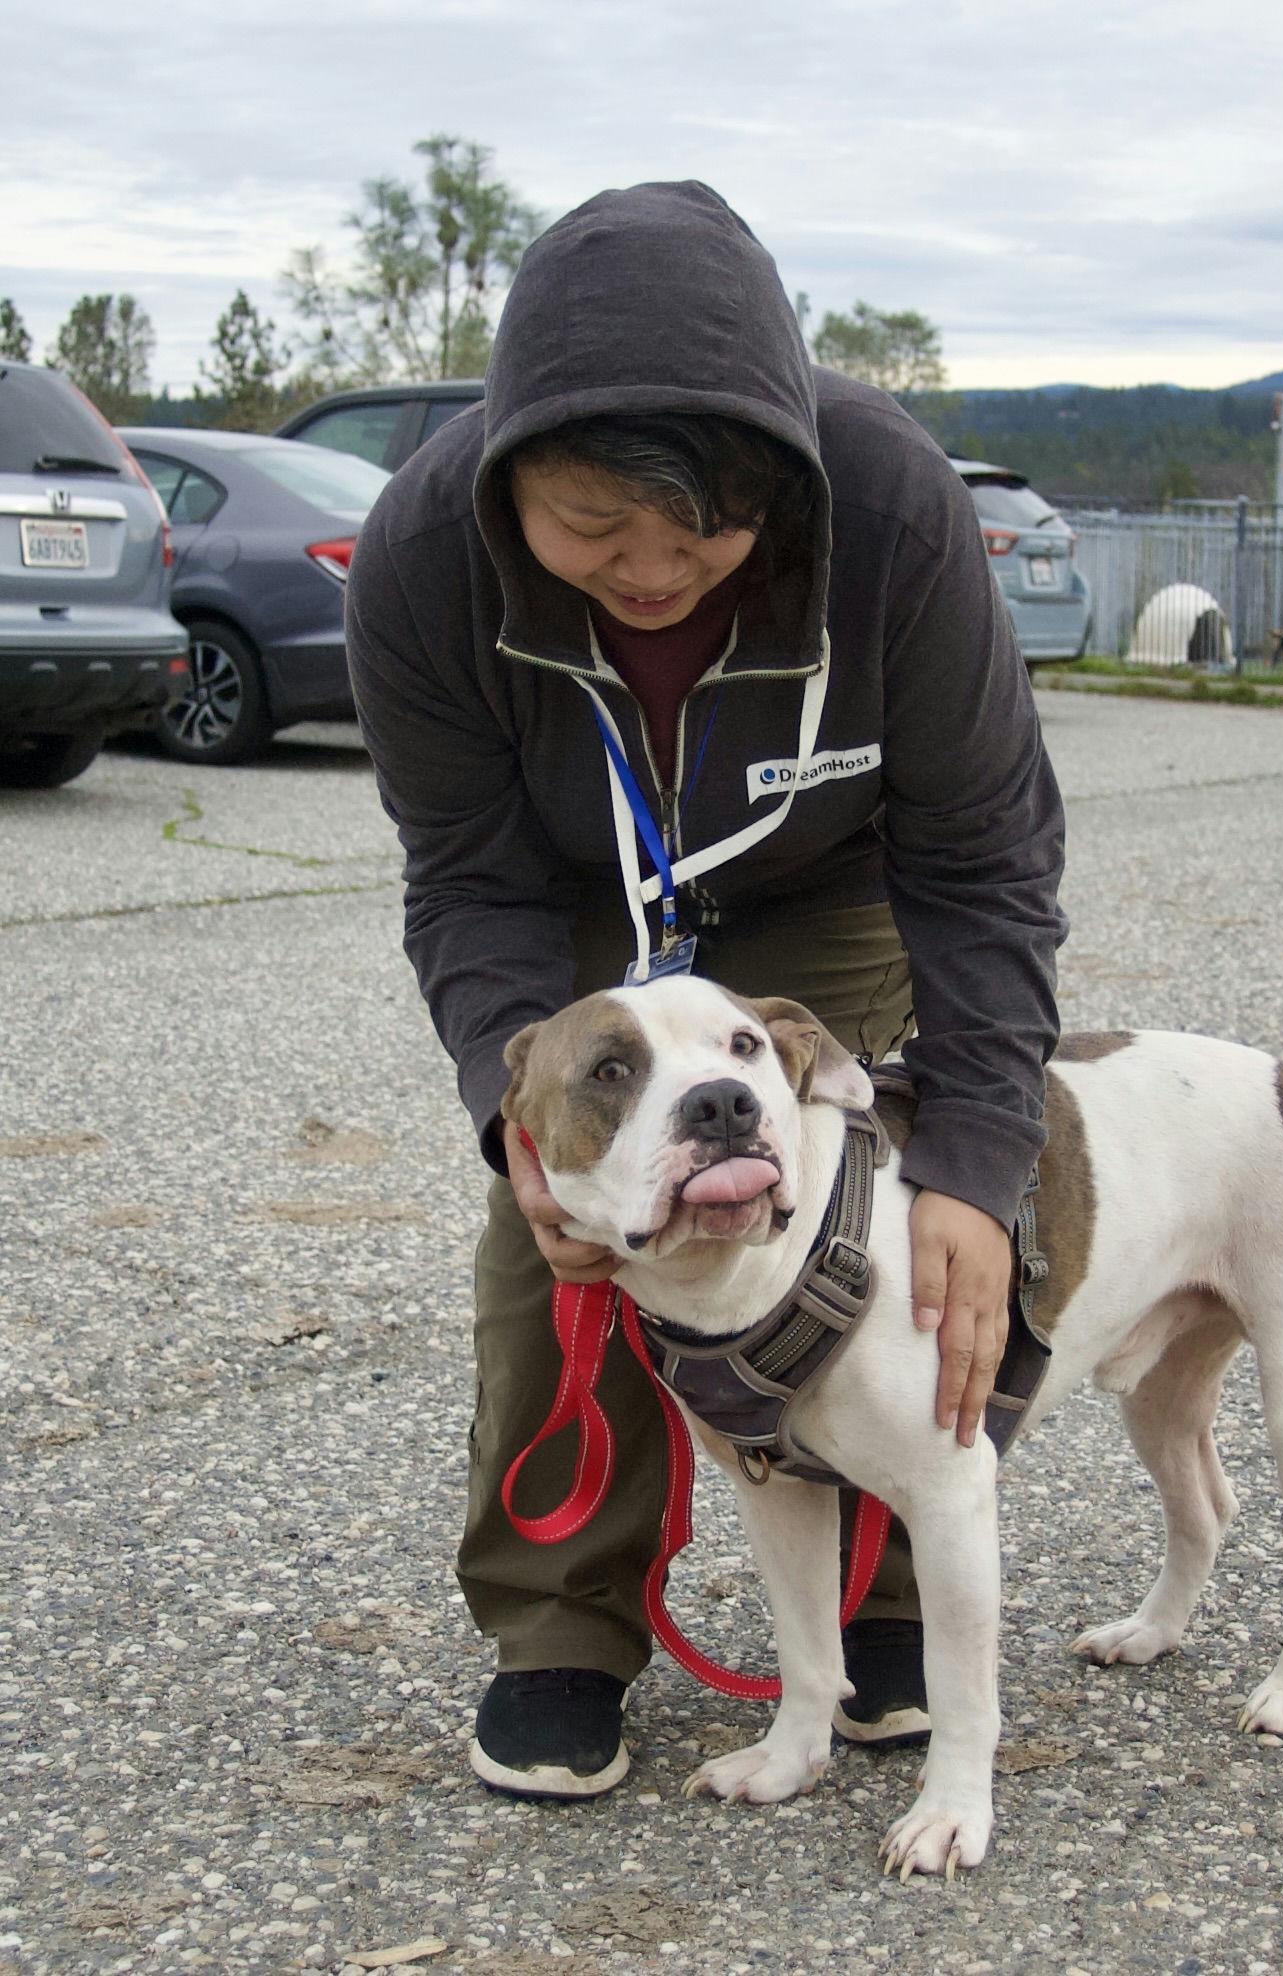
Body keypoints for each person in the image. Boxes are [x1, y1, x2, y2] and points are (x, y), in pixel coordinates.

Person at [347, 180, 1066, 1800]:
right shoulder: (416, 552)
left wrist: (974, 1157)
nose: (651, 568)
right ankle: (557, 1627)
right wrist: (507, 1121)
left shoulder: (884, 508)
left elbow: (986, 864)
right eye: (592, 530)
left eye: (702, 536)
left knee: (855, 1212)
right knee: (568, 1230)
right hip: (568, 880)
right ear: (506, 471)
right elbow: (464, 876)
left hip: (827, 877)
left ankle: (883, 1599)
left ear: (782, 488)